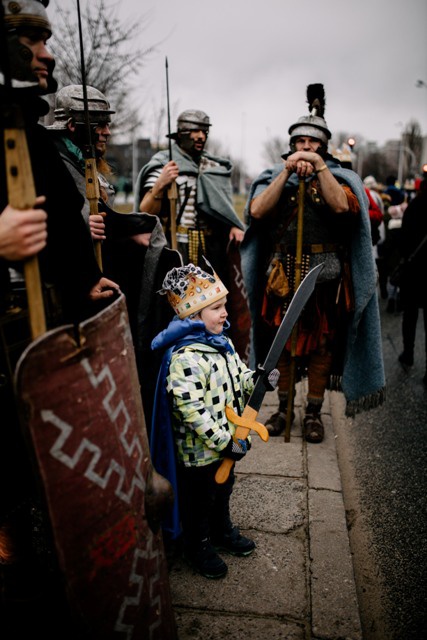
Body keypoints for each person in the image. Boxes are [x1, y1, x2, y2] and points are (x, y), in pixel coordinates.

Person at [0, 2, 120, 636]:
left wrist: (82, 278)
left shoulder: (36, 134)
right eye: (30, 37)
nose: (46, 51)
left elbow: (66, 231)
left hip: (41, 333)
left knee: (46, 472)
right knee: (8, 496)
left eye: (48, 37)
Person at [240, 84, 385, 443]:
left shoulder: (341, 178)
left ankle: (313, 414)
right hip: (282, 277)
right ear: (291, 146)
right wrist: (285, 174)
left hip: (325, 279)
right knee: (282, 345)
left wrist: (320, 168)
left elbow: (342, 208)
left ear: (323, 146)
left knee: (321, 348)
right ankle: (283, 409)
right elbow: (256, 211)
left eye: (313, 143)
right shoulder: (276, 176)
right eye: (300, 142)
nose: (306, 147)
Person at [47, 84, 181, 429]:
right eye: (99, 123)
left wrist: (127, 231)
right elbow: (48, 219)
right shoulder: (52, 163)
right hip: (65, 292)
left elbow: (104, 220)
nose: (107, 130)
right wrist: (78, 228)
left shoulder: (84, 163)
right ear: (73, 124)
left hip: (96, 281)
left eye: (107, 122)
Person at [149, 262, 279, 579]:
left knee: (224, 489)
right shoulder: (186, 357)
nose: (225, 313)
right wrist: (224, 441)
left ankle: (222, 531)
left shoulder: (221, 343)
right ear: (194, 316)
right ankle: (199, 544)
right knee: (200, 500)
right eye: (217, 308)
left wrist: (257, 381)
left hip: (227, 442)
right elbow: (190, 408)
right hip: (199, 452)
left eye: (223, 306)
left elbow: (238, 379)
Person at [133, 110, 251, 358]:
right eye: (195, 131)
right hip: (176, 249)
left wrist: (231, 224)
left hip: (211, 250)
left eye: (204, 131)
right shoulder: (163, 162)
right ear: (181, 135)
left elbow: (222, 210)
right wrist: (160, 184)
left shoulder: (213, 167)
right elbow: (146, 211)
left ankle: (212, 357)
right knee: (175, 307)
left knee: (212, 305)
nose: (200, 136)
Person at [397, 178, 427, 383]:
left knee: (410, 315)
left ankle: (408, 353)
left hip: (413, 271)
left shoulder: (414, 207)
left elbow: (404, 237)